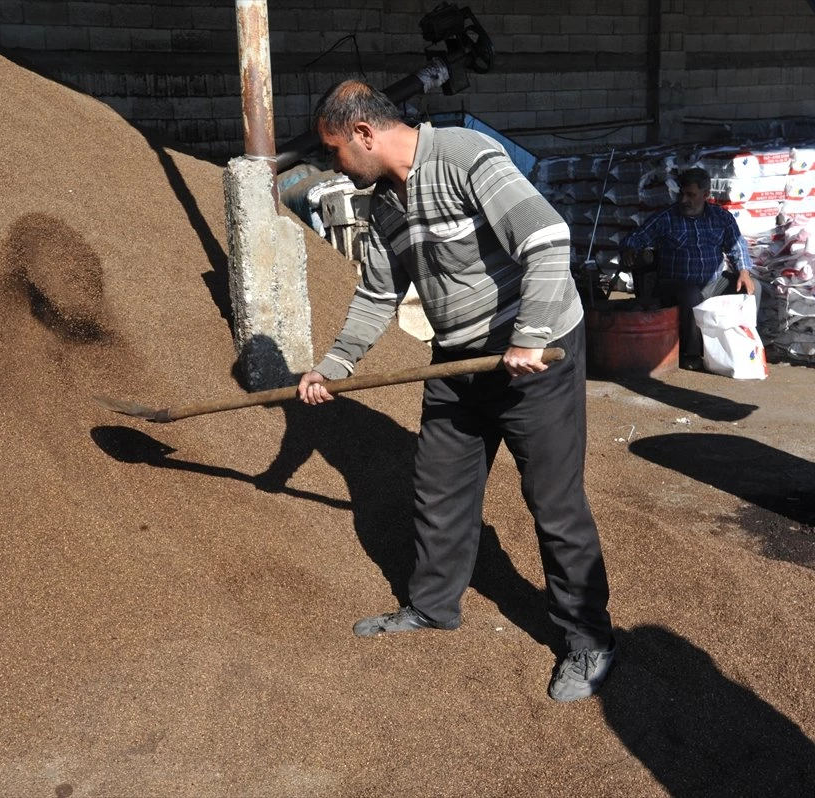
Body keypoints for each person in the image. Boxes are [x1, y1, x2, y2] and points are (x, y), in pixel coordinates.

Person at [297, 79, 615, 703]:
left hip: (536, 354)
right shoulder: (380, 203)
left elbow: (548, 241)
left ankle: (588, 639)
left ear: (364, 134)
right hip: (457, 362)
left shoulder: (466, 156)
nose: (334, 164)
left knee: (553, 501)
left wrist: (528, 335)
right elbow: (377, 295)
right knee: (439, 488)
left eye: (335, 149)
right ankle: (433, 606)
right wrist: (333, 365)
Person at [621, 168, 756, 369]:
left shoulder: (721, 217)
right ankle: (691, 353)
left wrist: (744, 271)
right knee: (691, 294)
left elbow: (737, 245)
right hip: (674, 285)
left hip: (713, 283)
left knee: (752, 289)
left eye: (691, 195)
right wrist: (630, 248)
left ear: (706, 194)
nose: (684, 200)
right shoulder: (666, 218)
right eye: (681, 194)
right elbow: (635, 238)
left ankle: (745, 345)